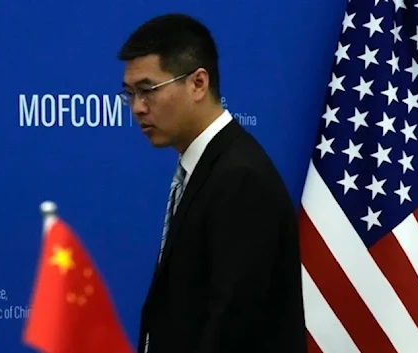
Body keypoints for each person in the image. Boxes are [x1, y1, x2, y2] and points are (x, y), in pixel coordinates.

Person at [116, 13, 307, 353]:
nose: (138, 108)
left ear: (198, 84)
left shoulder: (239, 178)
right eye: (129, 94)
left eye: (148, 90)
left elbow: (232, 328)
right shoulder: (205, 167)